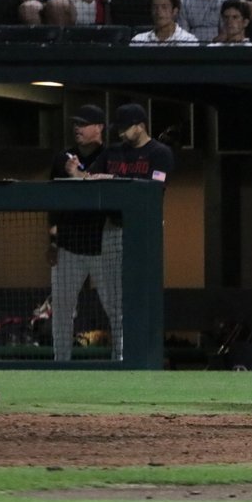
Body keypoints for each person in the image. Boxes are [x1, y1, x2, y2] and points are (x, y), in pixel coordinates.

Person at [67, 102, 174, 361]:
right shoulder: (113, 153)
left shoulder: (160, 153)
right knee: (115, 299)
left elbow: (154, 188)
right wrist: (76, 174)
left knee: (143, 296)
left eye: (126, 129)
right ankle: (120, 357)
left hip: (144, 232)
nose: (122, 134)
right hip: (113, 229)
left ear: (140, 126)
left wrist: (113, 181)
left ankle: (146, 356)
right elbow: (90, 180)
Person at [48, 104, 112, 361]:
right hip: (69, 246)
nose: (77, 128)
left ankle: (124, 362)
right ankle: (60, 363)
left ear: (99, 127)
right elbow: (53, 203)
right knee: (62, 310)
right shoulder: (63, 157)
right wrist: (52, 241)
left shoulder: (111, 155)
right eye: (76, 123)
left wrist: (79, 175)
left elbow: (106, 186)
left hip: (105, 247)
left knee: (115, 310)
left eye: (84, 124)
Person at [129, 0, 200, 46]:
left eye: (164, 7)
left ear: (175, 11)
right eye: (155, 7)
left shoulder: (188, 41)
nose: (158, 12)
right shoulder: (139, 41)